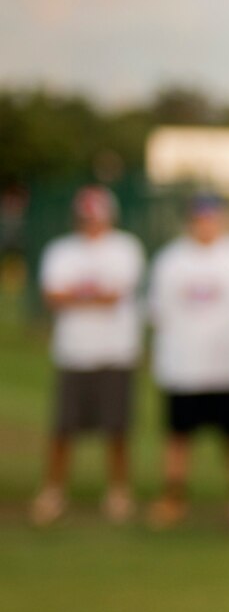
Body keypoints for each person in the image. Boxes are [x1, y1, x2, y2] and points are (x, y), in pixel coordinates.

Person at [146, 194, 229, 526]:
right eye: (200, 217)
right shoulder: (170, 260)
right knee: (178, 436)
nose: (206, 224)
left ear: (224, 219)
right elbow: (159, 314)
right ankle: (173, 497)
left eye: (212, 217)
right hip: (183, 365)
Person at [33, 186, 145, 525]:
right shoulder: (61, 250)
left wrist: (76, 295)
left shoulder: (125, 248)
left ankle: (119, 491)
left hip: (115, 351)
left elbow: (114, 295)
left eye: (96, 216)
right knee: (63, 428)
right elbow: (52, 296)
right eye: (86, 217)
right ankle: (53, 491)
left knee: (117, 428)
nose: (91, 223)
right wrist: (89, 295)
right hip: (73, 352)